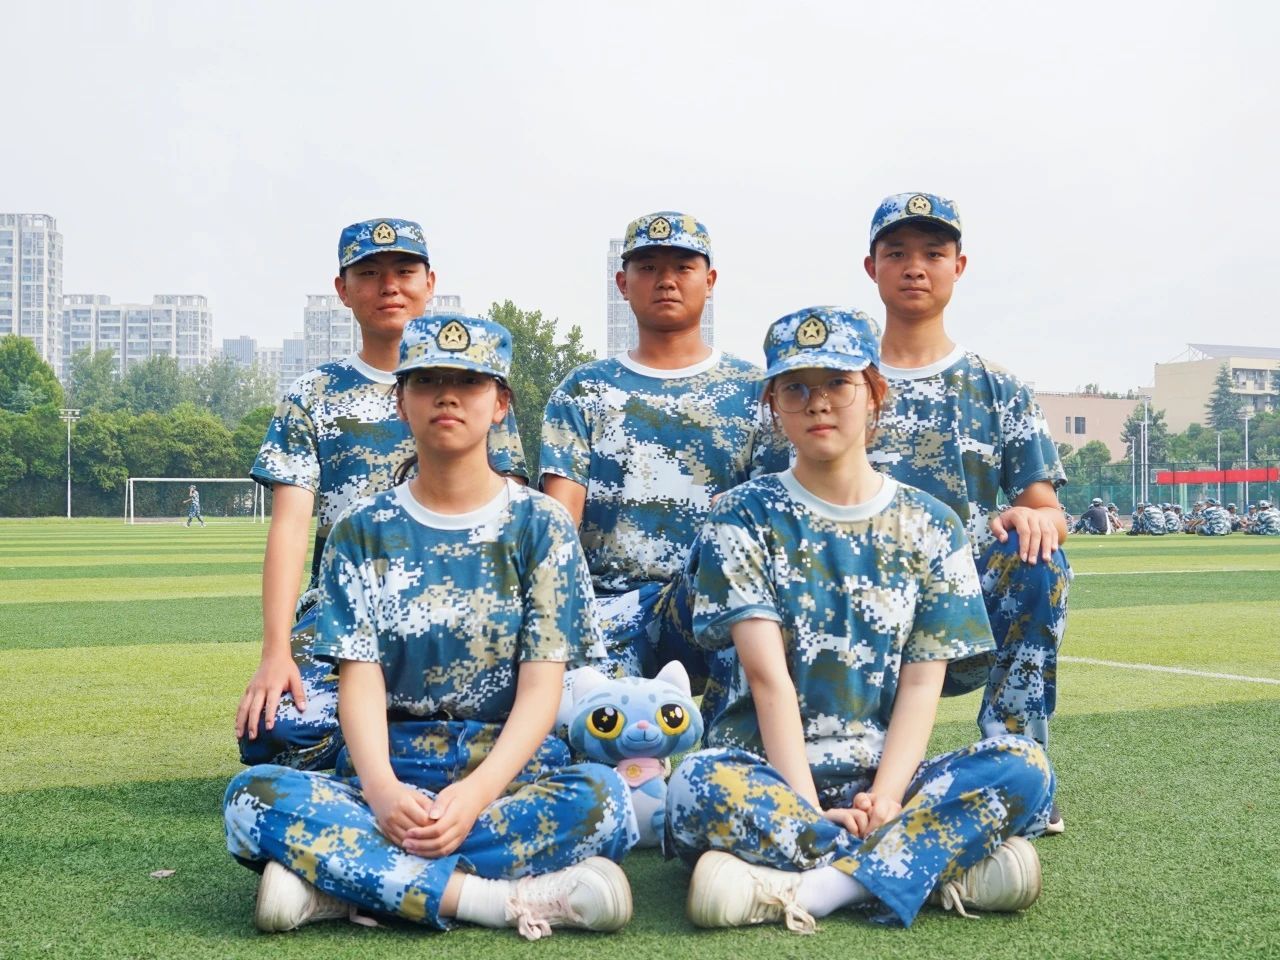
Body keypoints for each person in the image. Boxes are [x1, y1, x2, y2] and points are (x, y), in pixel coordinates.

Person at [224, 316, 636, 938]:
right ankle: (494, 899)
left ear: (500, 404)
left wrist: (474, 796)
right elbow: (360, 681)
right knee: (251, 798)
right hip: (395, 764)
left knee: (605, 801)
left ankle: (343, 884)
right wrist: (383, 793)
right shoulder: (362, 530)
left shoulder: (541, 526)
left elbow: (542, 689)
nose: (447, 396)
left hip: (508, 771)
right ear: (401, 401)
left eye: (468, 382)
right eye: (427, 381)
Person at [667, 307, 1053, 933]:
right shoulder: (742, 515)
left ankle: (814, 887)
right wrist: (806, 808)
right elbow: (767, 679)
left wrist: (890, 799)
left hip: (885, 783)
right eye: (796, 388)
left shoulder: (932, 525)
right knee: (694, 783)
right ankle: (928, 870)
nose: (818, 402)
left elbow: (922, 683)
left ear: (874, 392)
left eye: (837, 384)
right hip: (768, 777)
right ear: (774, 405)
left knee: (1025, 767)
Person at [235, 219, 527, 770]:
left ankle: (388, 748)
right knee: (274, 731)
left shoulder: (474, 385)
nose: (389, 286)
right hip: (345, 611)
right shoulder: (314, 395)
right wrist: (276, 652)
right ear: (343, 289)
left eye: (404, 271)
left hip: (459, 597)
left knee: (541, 705)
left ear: (429, 282)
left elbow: (509, 513)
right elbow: (291, 526)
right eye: (369, 273)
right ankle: (400, 746)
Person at [860, 193, 1070, 832]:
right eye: (897, 253)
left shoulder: (995, 386)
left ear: (959, 266)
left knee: (1039, 561)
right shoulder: (842, 382)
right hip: (856, 608)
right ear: (871, 267)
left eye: (933, 253)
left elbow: (1047, 507)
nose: (914, 267)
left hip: (964, 611)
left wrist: (1035, 518)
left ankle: (1016, 760)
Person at [541, 211, 788, 685]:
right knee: (596, 716)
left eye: (683, 267)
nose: (666, 281)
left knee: (756, 642)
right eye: (649, 267)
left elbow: (772, 521)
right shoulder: (585, 390)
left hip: (715, 598)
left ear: (709, 281)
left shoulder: (756, 392)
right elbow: (559, 521)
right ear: (623, 283)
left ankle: (737, 734)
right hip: (608, 602)